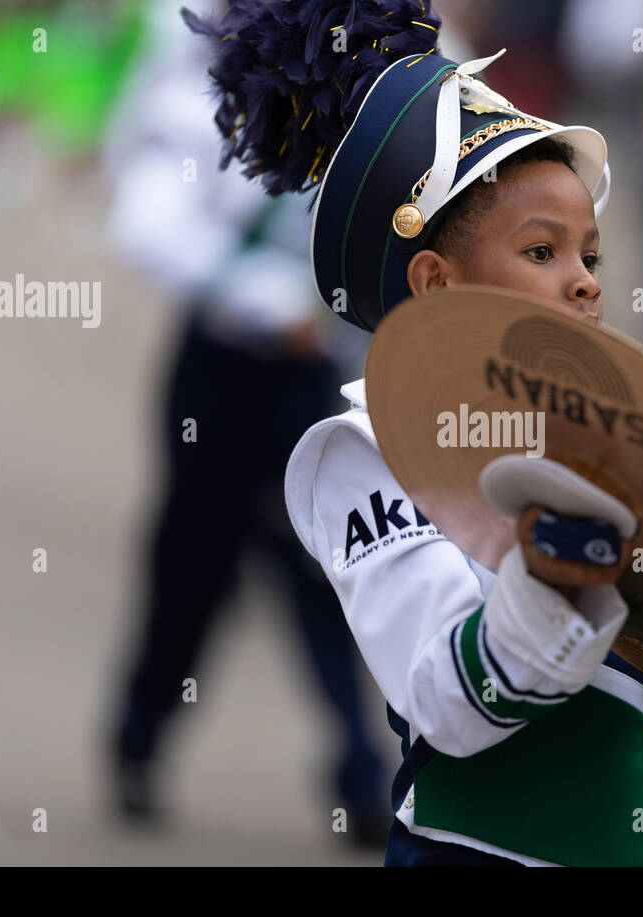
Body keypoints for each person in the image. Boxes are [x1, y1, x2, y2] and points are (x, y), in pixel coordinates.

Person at [185, 0, 643, 865]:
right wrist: (555, 571)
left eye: (590, 257)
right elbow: (449, 705)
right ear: (437, 284)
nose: (584, 285)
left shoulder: (610, 433)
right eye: (542, 253)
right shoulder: (367, 451)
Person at [102, 0, 389, 846]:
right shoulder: (197, 90)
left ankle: (360, 770)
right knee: (195, 567)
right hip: (222, 376)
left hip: (323, 377)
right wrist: (268, 302)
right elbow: (146, 226)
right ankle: (140, 734)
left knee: (336, 563)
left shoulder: (376, 77)